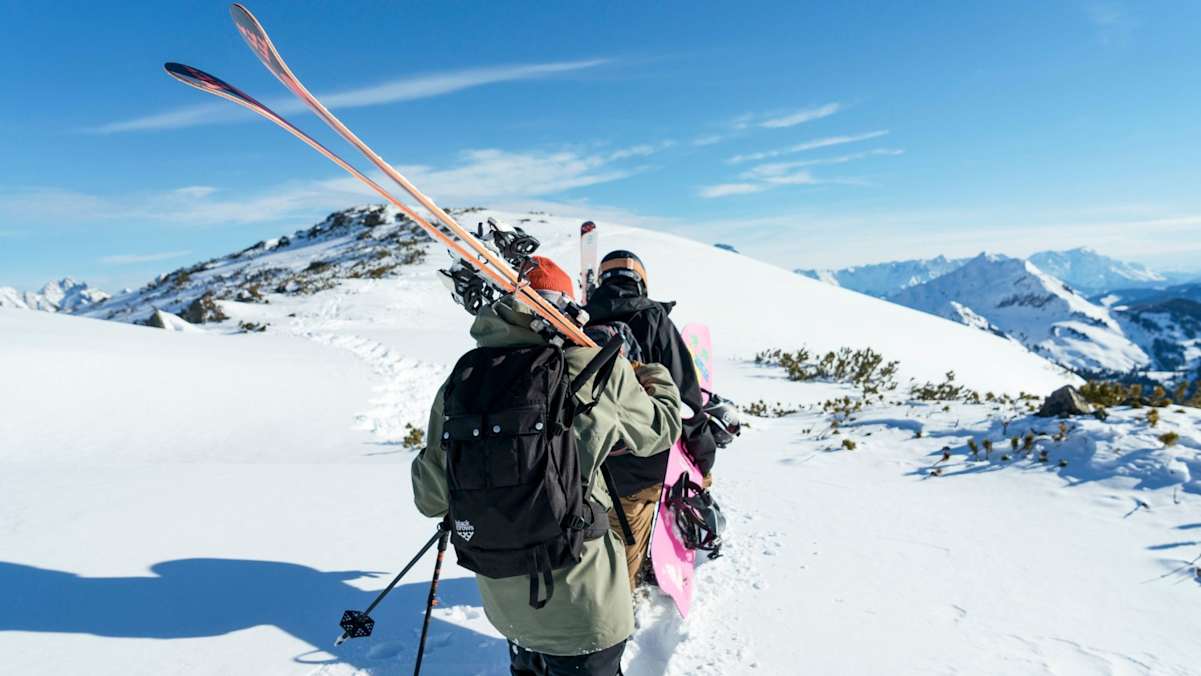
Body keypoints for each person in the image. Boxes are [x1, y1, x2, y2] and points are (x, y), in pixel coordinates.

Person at [411, 255, 682, 676]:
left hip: (507, 607)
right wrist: (645, 370)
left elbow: (430, 499)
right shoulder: (592, 368)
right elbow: (662, 428)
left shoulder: (461, 381)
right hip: (584, 608)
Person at [584, 249, 731, 590]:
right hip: (640, 464)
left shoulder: (576, 320)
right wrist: (703, 461)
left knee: (591, 533)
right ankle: (622, 605)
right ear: (641, 283)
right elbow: (685, 404)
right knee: (623, 554)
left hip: (584, 461)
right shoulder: (654, 321)